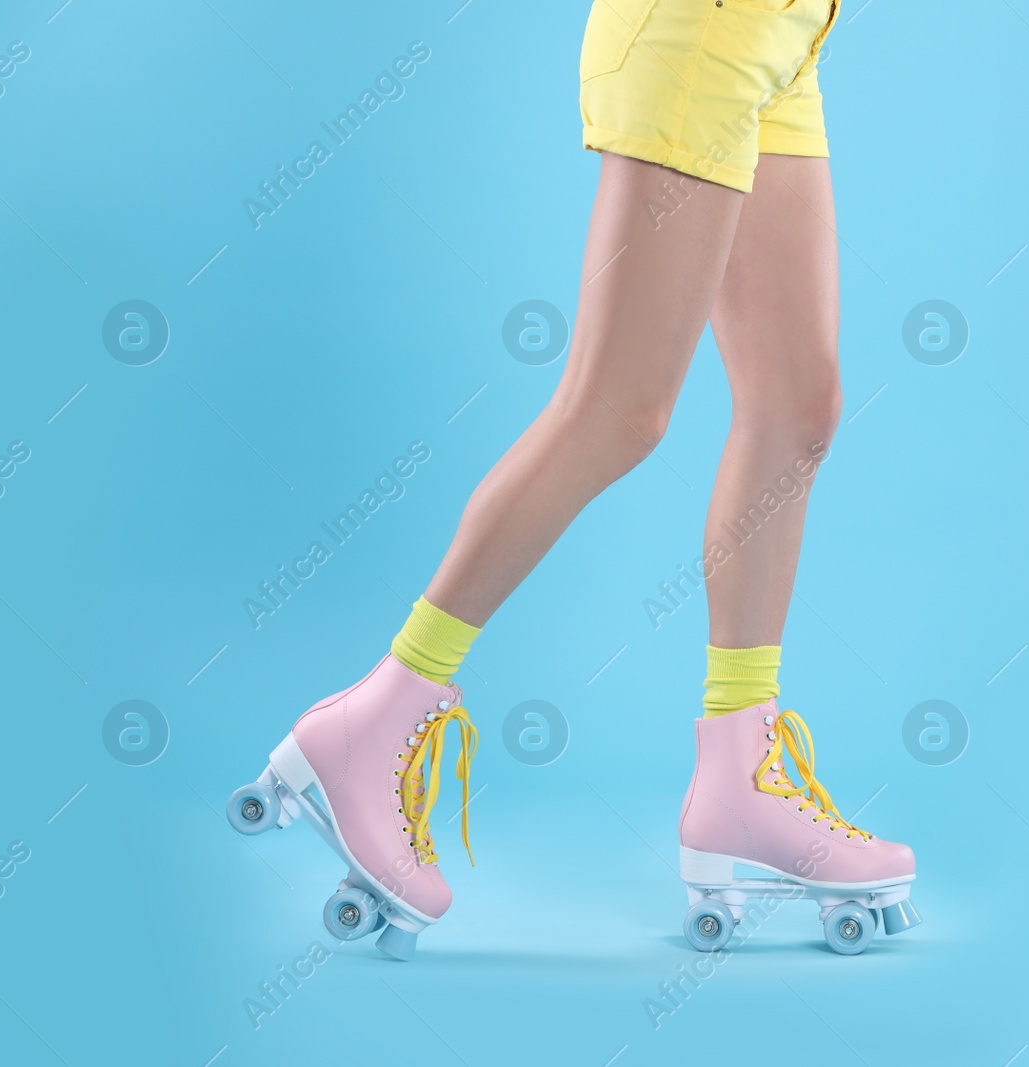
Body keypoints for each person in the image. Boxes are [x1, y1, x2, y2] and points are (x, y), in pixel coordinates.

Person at [229, 0, 918, 959]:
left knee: (796, 412)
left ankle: (740, 776)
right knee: (617, 411)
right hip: (700, 31)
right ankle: (376, 719)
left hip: (786, 36)